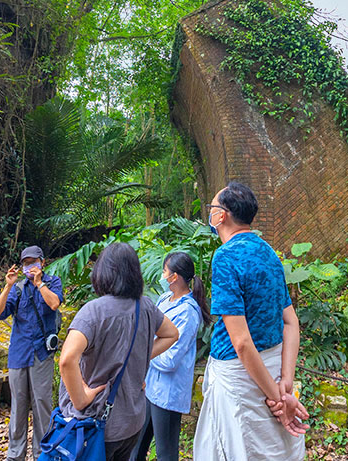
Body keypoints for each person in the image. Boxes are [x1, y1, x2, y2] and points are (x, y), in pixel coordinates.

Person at [193, 181, 307, 461]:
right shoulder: (268, 252)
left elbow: (241, 342)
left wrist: (278, 400)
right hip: (274, 371)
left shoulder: (225, 257)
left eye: (212, 208)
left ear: (223, 215)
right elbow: (290, 322)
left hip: (239, 377)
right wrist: (285, 386)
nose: (210, 214)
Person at [58, 242, 179, 461]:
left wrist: (80, 400)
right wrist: (139, 357)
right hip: (132, 422)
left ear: (103, 272)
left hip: (98, 424)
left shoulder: (94, 311)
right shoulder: (145, 306)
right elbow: (171, 334)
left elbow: (67, 360)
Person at [131, 251, 210, 461]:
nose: (162, 274)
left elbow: (170, 359)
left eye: (165, 271)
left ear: (174, 277)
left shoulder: (188, 312)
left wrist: (144, 352)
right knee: (135, 446)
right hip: (149, 387)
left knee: (166, 453)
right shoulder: (166, 298)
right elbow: (150, 330)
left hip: (167, 393)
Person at [0, 244, 64, 461]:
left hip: (41, 353)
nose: (29, 266)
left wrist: (39, 282)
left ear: (42, 262)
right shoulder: (17, 288)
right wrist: (7, 286)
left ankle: (43, 454)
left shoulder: (53, 282)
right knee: (18, 406)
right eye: (25, 263)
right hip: (19, 353)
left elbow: (54, 304)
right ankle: (15, 455)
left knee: (42, 404)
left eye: (33, 262)